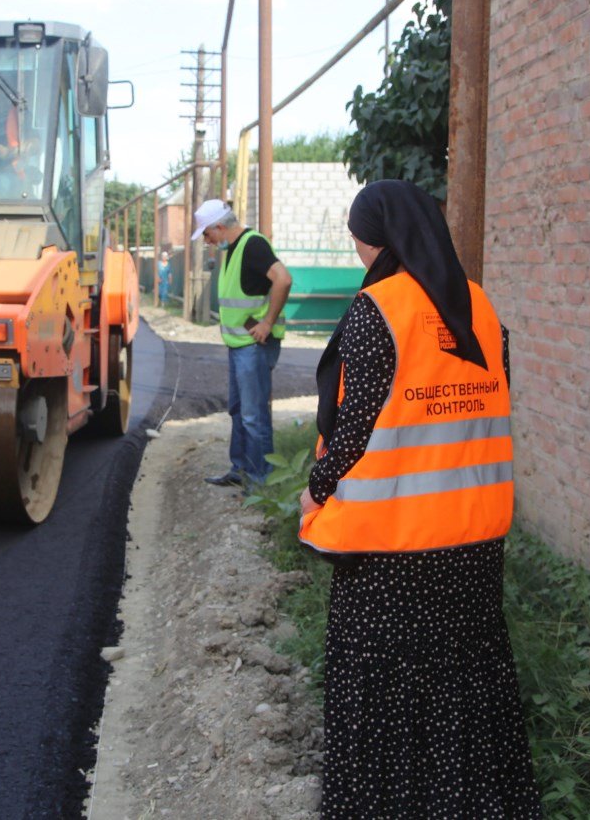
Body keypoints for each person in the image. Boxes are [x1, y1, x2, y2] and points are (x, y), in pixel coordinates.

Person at [298, 179, 541, 817]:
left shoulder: (378, 309)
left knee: (384, 696)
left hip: (389, 551)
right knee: (463, 690)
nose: (355, 247)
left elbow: (353, 429)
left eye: (356, 235)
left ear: (376, 238)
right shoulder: (481, 309)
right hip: (473, 545)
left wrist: (314, 490)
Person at [193, 199, 292, 489]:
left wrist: (267, 323)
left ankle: (261, 482)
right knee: (239, 410)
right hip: (240, 344)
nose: (208, 242)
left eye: (208, 236)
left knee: (253, 415)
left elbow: (283, 280)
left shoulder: (253, 245)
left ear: (220, 227)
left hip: (254, 346)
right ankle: (240, 470)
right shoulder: (234, 249)